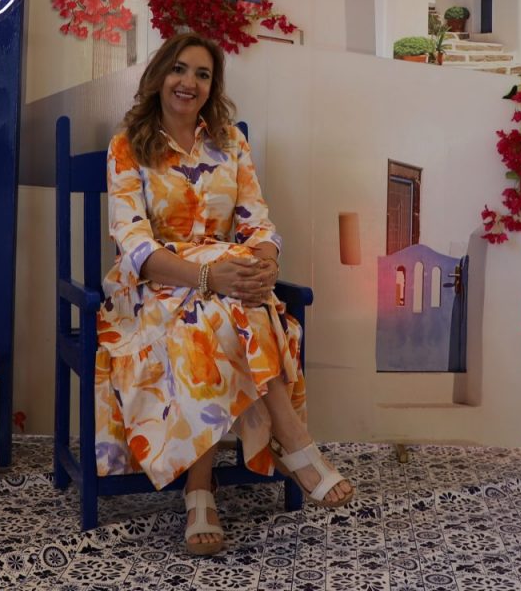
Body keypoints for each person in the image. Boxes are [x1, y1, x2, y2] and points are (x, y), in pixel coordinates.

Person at [95, 33, 353, 556]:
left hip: (224, 285)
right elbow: (134, 244)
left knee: (217, 313)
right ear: (160, 76)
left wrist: (266, 264)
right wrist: (211, 277)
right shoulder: (127, 145)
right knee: (220, 306)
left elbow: (257, 222)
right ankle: (291, 438)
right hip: (152, 288)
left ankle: (200, 490)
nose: (189, 82)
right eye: (179, 69)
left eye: (203, 74)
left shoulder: (230, 141)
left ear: (213, 87)